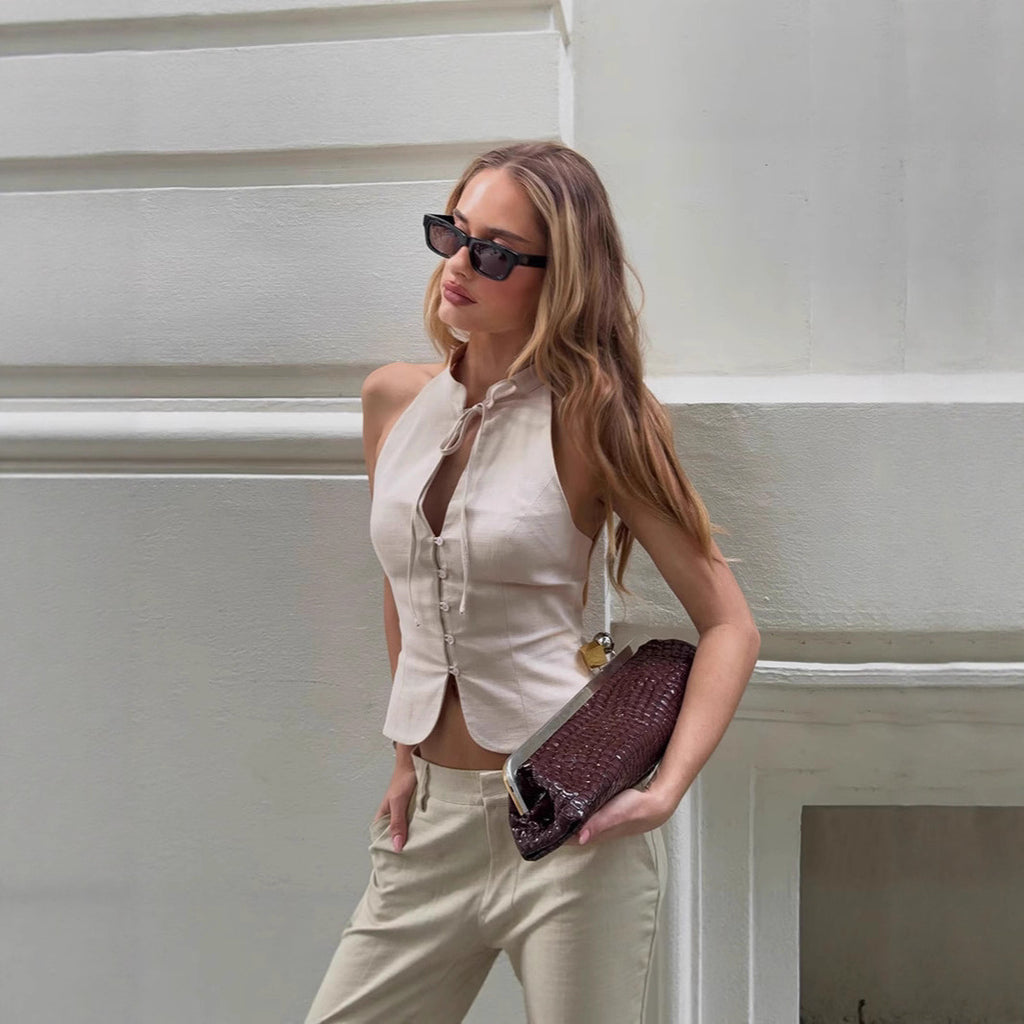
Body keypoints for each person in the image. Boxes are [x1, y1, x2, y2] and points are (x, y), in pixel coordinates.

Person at [304, 141, 760, 1024]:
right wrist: (403, 756)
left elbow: (730, 626)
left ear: (563, 278)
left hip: (566, 828)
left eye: (497, 253)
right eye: (453, 233)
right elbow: (408, 583)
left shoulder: (598, 420)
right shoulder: (393, 401)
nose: (459, 266)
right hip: (428, 825)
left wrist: (664, 791)